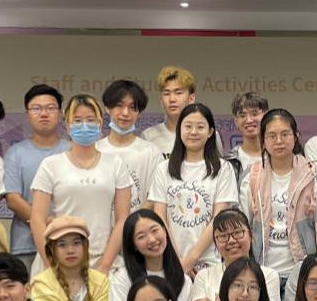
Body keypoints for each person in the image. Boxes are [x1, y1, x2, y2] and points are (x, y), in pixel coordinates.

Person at [30, 93, 131, 274]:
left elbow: (122, 219)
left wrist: (105, 265)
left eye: (90, 120)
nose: (84, 126)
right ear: (67, 126)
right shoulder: (50, 165)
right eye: (77, 121)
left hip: (103, 260)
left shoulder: (116, 164)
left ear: (100, 123)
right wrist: (51, 264)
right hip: (58, 260)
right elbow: (37, 219)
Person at [148, 102, 238, 273]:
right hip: (170, 261)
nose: (193, 132)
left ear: (210, 132)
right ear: (179, 130)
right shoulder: (163, 169)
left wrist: (190, 261)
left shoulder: (224, 169)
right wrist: (177, 261)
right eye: (188, 126)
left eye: (200, 127)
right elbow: (160, 217)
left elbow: (218, 218)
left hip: (209, 263)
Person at [243, 108, 317, 293]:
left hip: (302, 271)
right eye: (272, 136)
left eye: (285, 134)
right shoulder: (252, 175)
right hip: (261, 271)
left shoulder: (312, 174)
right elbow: (243, 224)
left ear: (295, 137)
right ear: (263, 140)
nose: (279, 141)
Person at [3, 84, 70, 269]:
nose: (44, 114)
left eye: (50, 108)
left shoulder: (72, 150)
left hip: (68, 241)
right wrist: (46, 223)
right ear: (27, 114)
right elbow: (13, 200)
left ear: (60, 113)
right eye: (36, 108)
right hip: (25, 245)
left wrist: (62, 227)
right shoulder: (15, 153)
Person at [190, 208, 282, 301]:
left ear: (250, 235)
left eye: (238, 233)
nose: (231, 240)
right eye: (223, 236)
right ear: (215, 243)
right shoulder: (203, 276)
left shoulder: (269, 276)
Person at [109, 209, 195, 301]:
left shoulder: (183, 280)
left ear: (165, 231)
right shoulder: (122, 278)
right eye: (141, 236)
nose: (152, 240)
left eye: (155, 230)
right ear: (133, 245)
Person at [97, 79, 161, 211]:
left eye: (132, 107)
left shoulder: (151, 153)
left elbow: (155, 197)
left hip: (139, 223)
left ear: (139, 113)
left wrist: (136, 222)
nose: (125, 113)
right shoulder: (95, 150)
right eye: (119, 105)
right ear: (107, 108)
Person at [142, 65, 197, 156]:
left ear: (191, 98)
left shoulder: (206, 135)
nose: (172, 99)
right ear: (161, 101)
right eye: (167, 93)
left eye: (178, 93)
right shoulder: (148, 136)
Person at [227, 91, 268, 184]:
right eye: (242, 116)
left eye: (254, 114)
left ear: (266, 117)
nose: (249, 120)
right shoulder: (229, 162)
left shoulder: (279, 156)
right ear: (236, 122)